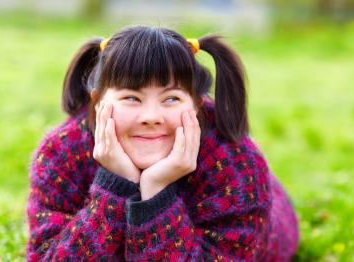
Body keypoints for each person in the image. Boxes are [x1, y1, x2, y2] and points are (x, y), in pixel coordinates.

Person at [26, 25, 299, 261]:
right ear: (97, 102)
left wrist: (156, 194)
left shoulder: (235, 162)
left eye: (171, 99)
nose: (151, 117)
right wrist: (114, 187)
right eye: (131, 98)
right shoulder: (62, 152)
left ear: (197, 105)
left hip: (273, 214)